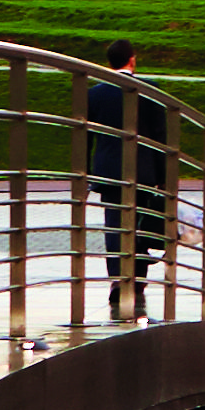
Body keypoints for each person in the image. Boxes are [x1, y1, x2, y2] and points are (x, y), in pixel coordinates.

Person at [78, 44, 174, 304]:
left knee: (114, 226)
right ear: (133, 60)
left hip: (109, 171)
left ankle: (118, 279)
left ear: (110, 63)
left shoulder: (95, 95)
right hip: (143, 171)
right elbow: (160, 137)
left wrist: (86, 172)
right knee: (139, 224)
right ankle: (138, 280)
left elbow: (84, 136)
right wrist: (163, 176)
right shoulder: (150, 91)